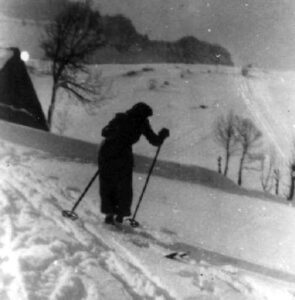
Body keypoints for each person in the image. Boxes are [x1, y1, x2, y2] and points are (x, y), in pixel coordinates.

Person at [98, 102, 169, 225]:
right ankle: (110, 214)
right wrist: (114, 130)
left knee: (124, 186)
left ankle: (120, 214)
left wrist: (161, 136)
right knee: (109, 183)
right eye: (143, 116)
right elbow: (104, 132)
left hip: (124, 153)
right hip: (109, 151)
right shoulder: (121, 118)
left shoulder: (142, 123)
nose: (144, 119)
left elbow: (154, 140)